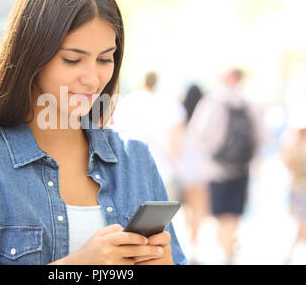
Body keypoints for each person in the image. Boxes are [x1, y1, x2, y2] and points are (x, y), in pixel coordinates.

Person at [0, 0, 186, 265]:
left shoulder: (134, 158)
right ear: (32, 54)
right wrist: (78, 265)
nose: (92, 78)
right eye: (73, 60)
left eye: (105, 59)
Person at [186, 68, 262, 264]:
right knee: (233, 216)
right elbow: (262, 136)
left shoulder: (213, 102)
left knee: (218, 215)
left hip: (216, 170)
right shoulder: (250, 103)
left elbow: (197, 134)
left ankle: (224, 252)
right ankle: (227, 253)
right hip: (242, 169)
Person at [111, 70, 187, 200]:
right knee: (163, 215)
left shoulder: (126, 102)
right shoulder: (170, 103)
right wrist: (178, 165)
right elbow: (176, 139)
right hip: (164, 168)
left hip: (131, 168)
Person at [176, 83, 208, 264]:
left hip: (183, 169)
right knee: (198, 209)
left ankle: (188, 242)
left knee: (187, 208)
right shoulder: (204, 116)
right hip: (201, 170)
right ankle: (193, 245)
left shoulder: (181, 117)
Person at [281, 100, 306, 264]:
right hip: (301, 189)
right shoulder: (296, 145)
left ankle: (301, 253)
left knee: (303, 224)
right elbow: (288, 163)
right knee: (303, 224)